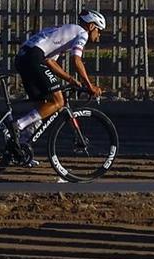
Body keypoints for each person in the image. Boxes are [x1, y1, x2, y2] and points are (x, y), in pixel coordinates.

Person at [13, 9, 105, 160]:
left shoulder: (65, 31)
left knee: (44, 106)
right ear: (92, 26)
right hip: (34, 57)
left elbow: (50, 61)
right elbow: (76, 60)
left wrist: (70, 79)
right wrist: (89, 85)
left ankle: (21, 149)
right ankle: (19, 125)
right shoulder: (82, 33)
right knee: (58, 101)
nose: (99, 36)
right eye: (99, 31)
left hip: (24, 57)